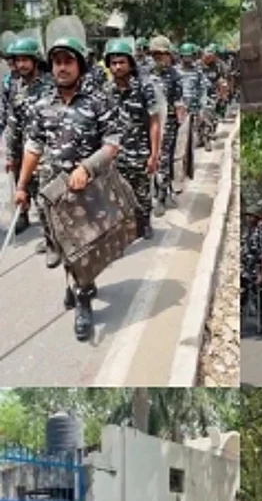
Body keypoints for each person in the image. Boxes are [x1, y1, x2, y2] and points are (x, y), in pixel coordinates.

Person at [14, 34, 121, 342]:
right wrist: (22, 186)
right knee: (64, 247)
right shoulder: (41, 105)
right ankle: (78, 282)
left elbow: (113, 143)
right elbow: (33, 146)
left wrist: (87, 168)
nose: (62, 67)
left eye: (68, 61)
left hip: (88, 190)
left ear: (80, 65)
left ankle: (83, 301)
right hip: (53, 192)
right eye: (57, 62)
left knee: (83, 248)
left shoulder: (99, 100)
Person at [104, 38, 160, 240]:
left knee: (142, 192)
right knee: (116, 195)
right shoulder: (104, 91)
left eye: (122, 62)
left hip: (139, 152)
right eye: (113, 63)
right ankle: (123, 227)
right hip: (113, 155)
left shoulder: (144, 87)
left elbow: (154, 121)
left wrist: (154, 154)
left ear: (130, 63)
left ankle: (144, 223)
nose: (117, 67)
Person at [5, 37, 53, 237]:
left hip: (46, 149)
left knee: (44, 192)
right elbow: (12, 122)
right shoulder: (15, 86)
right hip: (24, 147)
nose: (21, 64)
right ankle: (23, 217)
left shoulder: (51, 84)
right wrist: (11, 154)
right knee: (22, 186)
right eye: (18, 60)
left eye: (26, 59)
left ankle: (50, 235)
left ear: (35, 60)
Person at [150, 35, 185, 215]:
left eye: (162, 55)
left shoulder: (174, 76)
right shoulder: (145, 74)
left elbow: (179, 102)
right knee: (150, 158)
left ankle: (162, 196)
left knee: (164, 159)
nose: (159, 59)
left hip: (169, 123)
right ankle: (156, 189)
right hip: (149, 123)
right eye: (155, 55)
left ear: (169, 55)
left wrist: (180, 121)